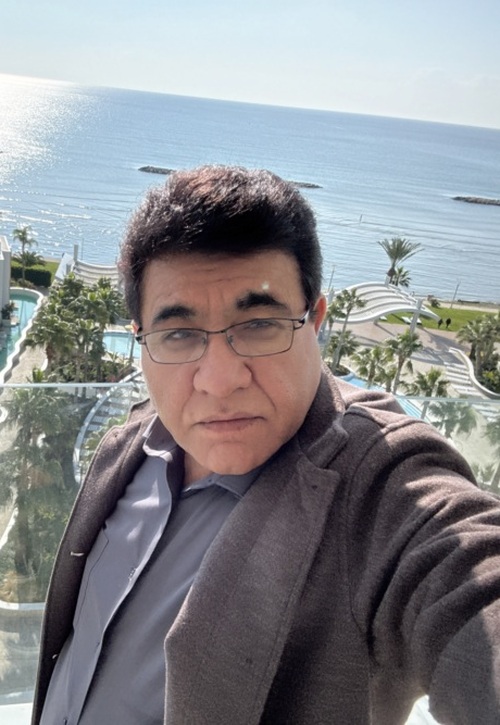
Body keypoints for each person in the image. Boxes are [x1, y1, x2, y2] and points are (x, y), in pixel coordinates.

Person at [33, 166, 500, 725]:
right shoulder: (133, 444)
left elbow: (464, 574)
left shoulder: (378, 484)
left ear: (315, 321)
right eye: (178, 334)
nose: (219, 380)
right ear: (142, 340)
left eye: (258, 324)